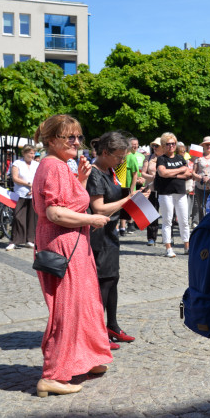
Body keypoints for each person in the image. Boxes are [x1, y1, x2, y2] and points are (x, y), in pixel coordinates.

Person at [31, 114, 112, 397]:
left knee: (85, 302)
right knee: (65, 309)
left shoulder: (60, 165)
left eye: (78, 136)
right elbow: (54, 212)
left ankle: (85, 358)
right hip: (63, 244)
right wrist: (91, 219)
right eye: (70, 137)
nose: (76, 141)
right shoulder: (52, 166)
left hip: (72, 243)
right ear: (52, 140)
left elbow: (62, 200)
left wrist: (78, 179)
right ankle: (52, 374)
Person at [87, 132, 138, 349]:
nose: (122, 161)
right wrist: (127, 200)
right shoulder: (94, 173)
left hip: (110, 233)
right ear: (105, 153)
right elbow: (98, 208)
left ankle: (112, 325)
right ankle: (98, 332)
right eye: (119, 157)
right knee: (102, 283)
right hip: (98, 236)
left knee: (112, 280)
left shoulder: (110, 171)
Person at [155, 132, 192, 258]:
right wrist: (179, 171)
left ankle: (187, 246)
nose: (171, 146)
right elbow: (162, 173)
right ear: (163, 146)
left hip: (180, 192)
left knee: (184, 220)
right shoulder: (161, 158)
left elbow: (188, 173)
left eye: (173, 143)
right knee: (167, 220)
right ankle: (168, 247)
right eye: (168, 144)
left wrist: (173, 174)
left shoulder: (180, 158)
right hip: (166, 193)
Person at [6, 146, 39, 251]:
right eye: (30, 153)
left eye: (33, 154)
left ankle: (30, 240)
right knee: (18, 217)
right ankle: (15, 240)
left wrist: (33, 188)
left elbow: (39, 178)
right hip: (20, 193)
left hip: (33, 194)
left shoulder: (36, 164)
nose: (32, 156)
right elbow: (15, 178)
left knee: (32, 217)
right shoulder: (17, 163)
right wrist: (29, 184)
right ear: (24, 153)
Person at [191, 136, 210, 226]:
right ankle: (202, 225)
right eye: (207, 145)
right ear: (203, 146)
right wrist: (200, 178)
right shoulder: (198, 158)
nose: (209, 146)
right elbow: (193, 172)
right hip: (200, 187)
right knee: (201, 207)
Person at [140, 138, 163, 245]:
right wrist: (151, 176)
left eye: (157, 146)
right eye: (154, 146)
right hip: (151, 189)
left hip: (164, 189)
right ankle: (151, 237)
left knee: (168, 214)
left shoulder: (165, 158)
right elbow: (143, 173)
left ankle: (169, 237)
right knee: (151, 213)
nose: (155, 148)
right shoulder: (149, 158)